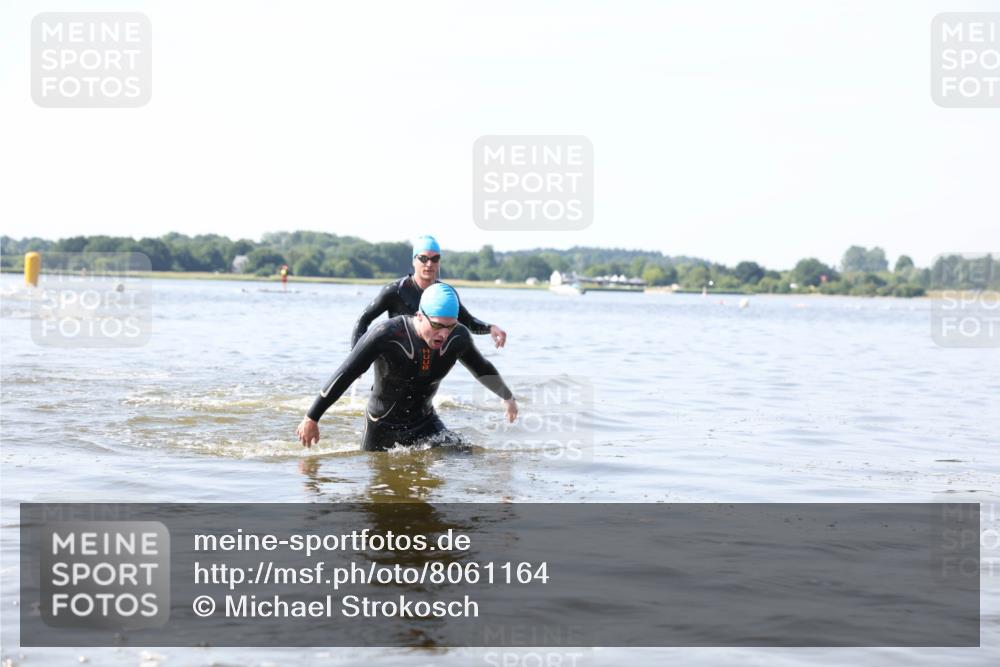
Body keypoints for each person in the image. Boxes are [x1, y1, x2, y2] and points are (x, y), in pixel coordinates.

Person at [297, 283, 518, 451]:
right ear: (420, 316)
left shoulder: (458, 337)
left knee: (464, 455)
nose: (443, 333)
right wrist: (312, 418)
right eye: (437, 325)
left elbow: (481, 368)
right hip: (382, 425)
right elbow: (345, 374)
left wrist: (507, 397)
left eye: (449, 326)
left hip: (425, 423)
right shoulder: (387, 334)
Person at [350, 235, 507, 349]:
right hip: (396, 357)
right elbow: (363, 320)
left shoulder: (444, 295)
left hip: (426, 363)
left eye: (435, 259)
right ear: (414, 261)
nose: (429, 264)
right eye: (423, 259)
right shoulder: (395, 290)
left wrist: (490, 328)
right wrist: (355, 358)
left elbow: (469, 322)